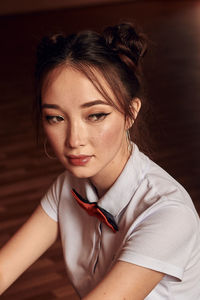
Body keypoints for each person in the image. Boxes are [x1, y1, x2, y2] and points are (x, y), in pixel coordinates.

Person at [0, 22, 200, 300]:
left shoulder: (168, 214)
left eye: (95, 115)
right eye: (56, 118)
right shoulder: (67, 187)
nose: (74, 139)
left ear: (130, 113)